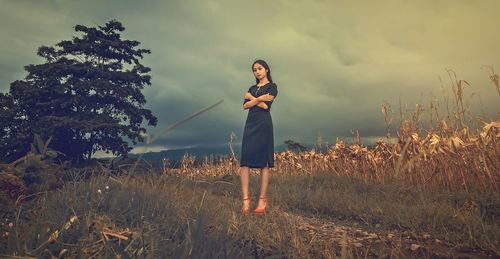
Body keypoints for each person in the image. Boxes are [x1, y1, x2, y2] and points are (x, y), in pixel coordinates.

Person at [240, 59, 278, 215]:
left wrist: (252, 98)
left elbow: (265, 107)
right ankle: (246, 201)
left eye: (260, 68)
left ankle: (262, 200)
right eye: (254, 70)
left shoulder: (272, 87)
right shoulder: (252, 88)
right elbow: (245, 106)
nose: (257, 72)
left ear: (266, 70)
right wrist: (261, 98)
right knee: (244, 162)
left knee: (264, 163)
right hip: (250, 124)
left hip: (263, 125)